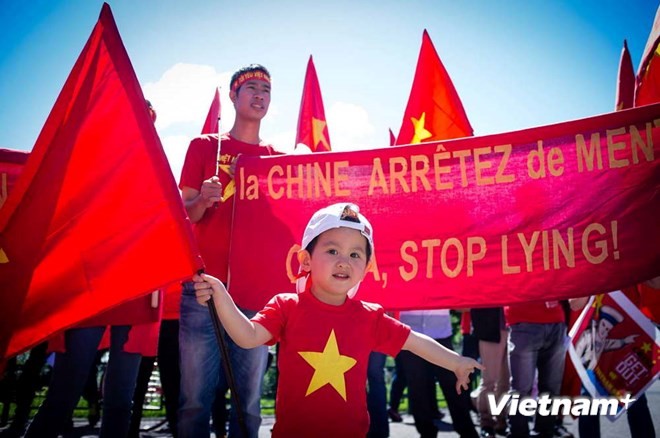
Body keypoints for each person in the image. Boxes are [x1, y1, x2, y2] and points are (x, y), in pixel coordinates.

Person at [193, 202, 483, 437]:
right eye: (332, 250)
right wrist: (220, 295)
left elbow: (415, 342)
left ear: (367, 267)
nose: (344, 260)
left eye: (355, 254)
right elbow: (247, 336)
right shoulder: (286, 306)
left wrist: (455, 362)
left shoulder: (370, 317)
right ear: (306, 260)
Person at [24, 99, 161, 438]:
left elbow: (168, 227)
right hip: (89, 290)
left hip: (136, 294)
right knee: (64, 391)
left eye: (147, 122)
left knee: (120, 398)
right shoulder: (85, 167)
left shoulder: (156, 173)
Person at [178, 63, 281, 438]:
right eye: (250, 87)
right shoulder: (205, 146)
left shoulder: (277, 159)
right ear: (234, 95)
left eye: (266, 90)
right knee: (194, 401)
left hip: (256, 294)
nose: (259, 95)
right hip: (202, 290)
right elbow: (186, 214)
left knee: (248, 402)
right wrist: (204, 199)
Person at [398, 309, 479, 438]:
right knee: (416, 386)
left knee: (453, 385)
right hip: (410, 334)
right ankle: (426, 432)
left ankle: (467, 431)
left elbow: (460, 303)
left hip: (440, 332)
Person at [504, 300, 567, 438]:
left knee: (551, 388)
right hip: (523, 321)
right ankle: (518, 434)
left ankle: (545, 432)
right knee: (521, 389)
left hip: (556, 320)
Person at [469, 307, 509, 438]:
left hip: (515, 326)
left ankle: (501, 420)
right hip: (490, 326)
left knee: (506, 380)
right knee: (489, 379)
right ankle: (486, 422)